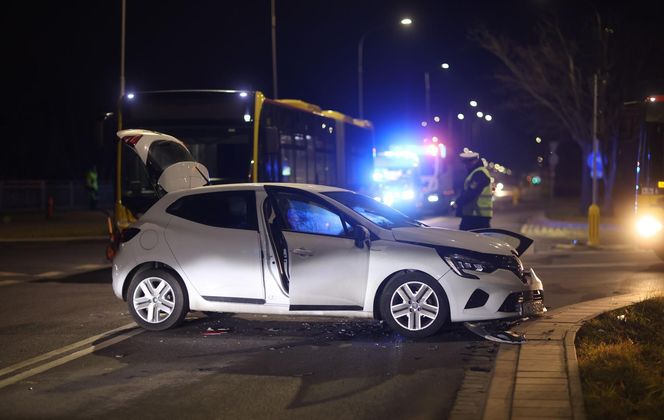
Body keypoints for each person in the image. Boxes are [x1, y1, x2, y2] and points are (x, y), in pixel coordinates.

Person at [454, 150, 493, 230]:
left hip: (477, 216)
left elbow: (471, 193)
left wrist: (457, 202)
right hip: (474, 215)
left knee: (466, 239)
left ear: (474, 161)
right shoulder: (475, 172)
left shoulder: (480, 173)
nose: (465, 165)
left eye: (467, 163)